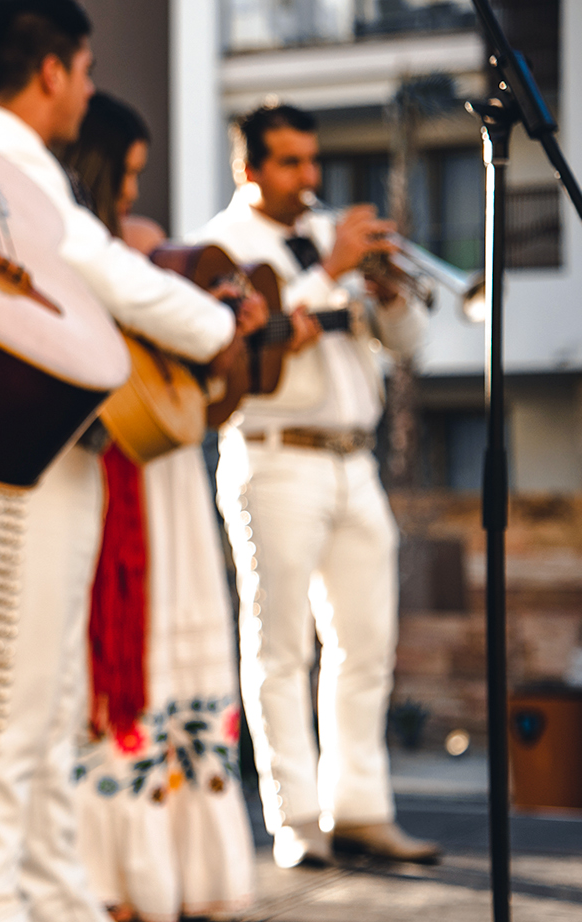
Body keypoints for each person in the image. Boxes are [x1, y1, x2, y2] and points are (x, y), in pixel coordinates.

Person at [0, 4, 267, 922]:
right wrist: (212, 326)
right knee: (9, 691)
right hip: (7, 440)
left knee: (51, 699)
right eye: (81, 72)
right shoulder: (1, 150)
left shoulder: (7, 150)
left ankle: (52, 899)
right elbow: (94, 264)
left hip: (52, 443)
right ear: (49, 69)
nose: (88, 91)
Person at [192, 103, 441, 868]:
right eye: (292, 163)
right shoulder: (217, 245)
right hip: (273, 455)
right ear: (250, 169)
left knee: (367, 645)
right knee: (280, 648)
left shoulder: (331, 238)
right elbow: (225, 344)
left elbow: (411, 348)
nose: (310, 177)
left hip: (353, 458)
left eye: (312, 160)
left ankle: (360, 806)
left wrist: (390, 295)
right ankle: (297, 821)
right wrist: (325, 273)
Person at [62, 93, 265, 922]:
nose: (136, 191)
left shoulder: (151, 251)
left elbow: (208, 407)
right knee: (109, 657)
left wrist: (241, 339)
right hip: (106, 472)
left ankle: (173, 873)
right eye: (131, 171)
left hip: (169, 474)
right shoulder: (90, 250)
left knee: (174, 656)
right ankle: (108, 874)